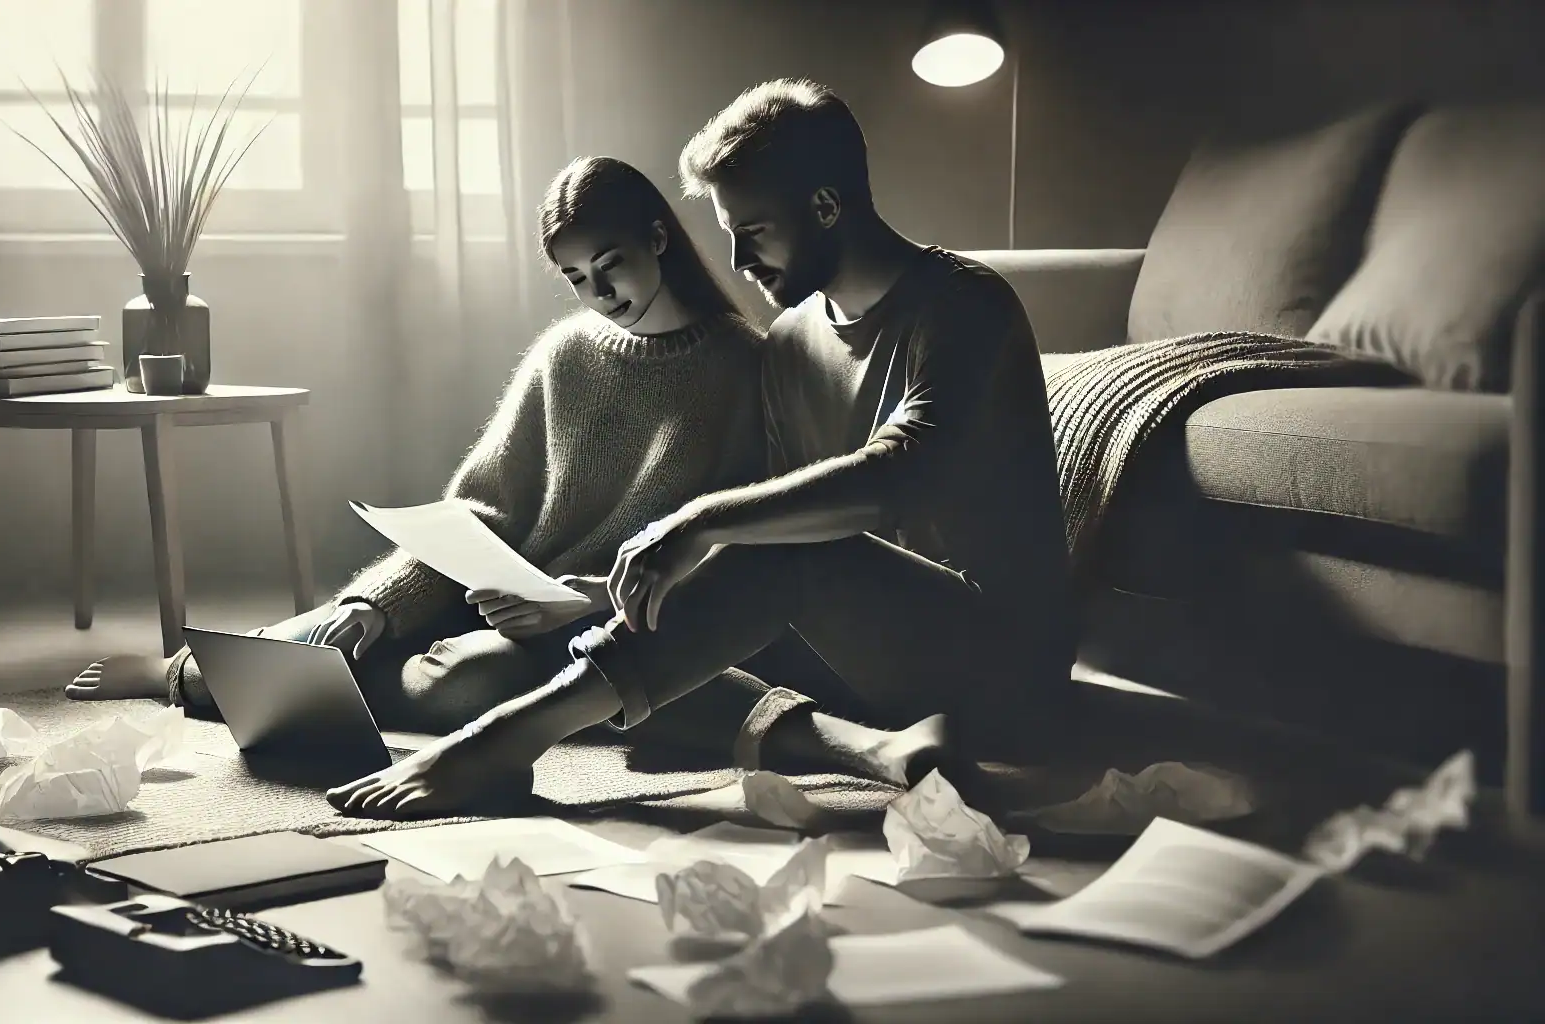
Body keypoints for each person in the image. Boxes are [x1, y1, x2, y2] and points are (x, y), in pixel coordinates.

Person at [328, 79, 1078, 818]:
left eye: (752, 231)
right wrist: (609, 601)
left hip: (996, 665)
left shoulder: (966, 305)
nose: (737, 259)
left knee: (756, 571)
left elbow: (897, 476)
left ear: (825, 206)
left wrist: (699, 522)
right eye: (726, 233)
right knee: (657, 647)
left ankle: (500, 741)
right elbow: (763, 564)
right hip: (856, 661)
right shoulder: (790, 341)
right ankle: (877, 748)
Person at [67, 155, 775, 749]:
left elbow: (750, 548)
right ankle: (180, 672)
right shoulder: (563, 356)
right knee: (343, 626)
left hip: (617, 623)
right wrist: (379, 606)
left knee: (463, 683)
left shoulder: (746, 366)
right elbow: (478, 514)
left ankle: (306, 679)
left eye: (609, 265)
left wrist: (583, 600)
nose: (598, 293)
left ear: (658, 238)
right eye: (576, 278)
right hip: (493, 602)